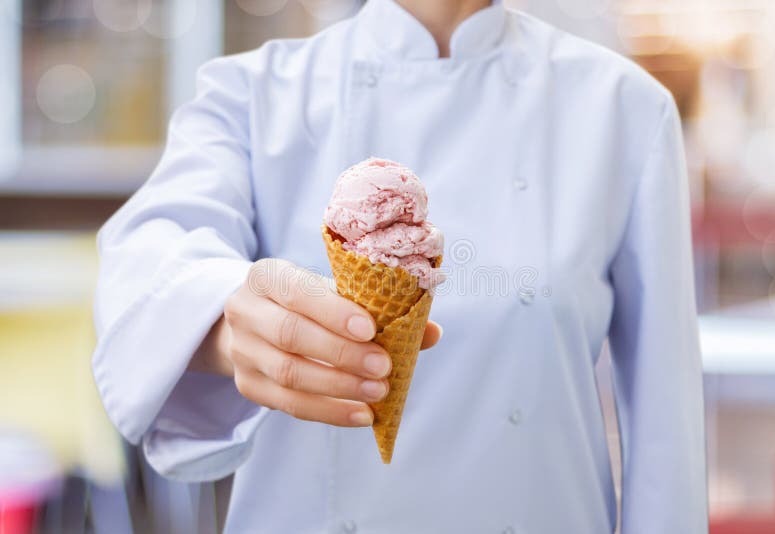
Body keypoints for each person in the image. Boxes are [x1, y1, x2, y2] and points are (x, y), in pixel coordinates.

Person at [92, 0, 708, 532]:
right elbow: (149, 256)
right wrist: (231, 322)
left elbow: (665, 440)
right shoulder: (252, 94)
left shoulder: (623, 109)